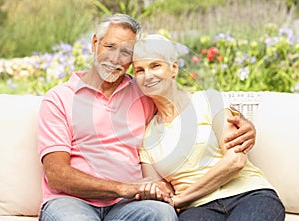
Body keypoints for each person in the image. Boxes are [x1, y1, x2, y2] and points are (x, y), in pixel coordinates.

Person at [37, 14, 256, 221]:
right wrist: (123, 187)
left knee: (162, 214)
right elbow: (57, 174)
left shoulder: (141, 91)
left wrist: (240, 122)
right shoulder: (59, 99)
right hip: (71, 203)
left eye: (126, 52)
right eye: (110, 47)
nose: (115, 59)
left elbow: (185, 101)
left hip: (129, 205)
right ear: (95, 44)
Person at [132, 34, 285, 221]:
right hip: (197, 210)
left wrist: (182, 199)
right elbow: (160, 190)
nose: (148, 75)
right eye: (139, 70)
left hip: (249, 195)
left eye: (155, 66)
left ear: (173, 68)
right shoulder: (147, 137)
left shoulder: (209, 100)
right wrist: (151, 191)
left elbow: (235, 161)